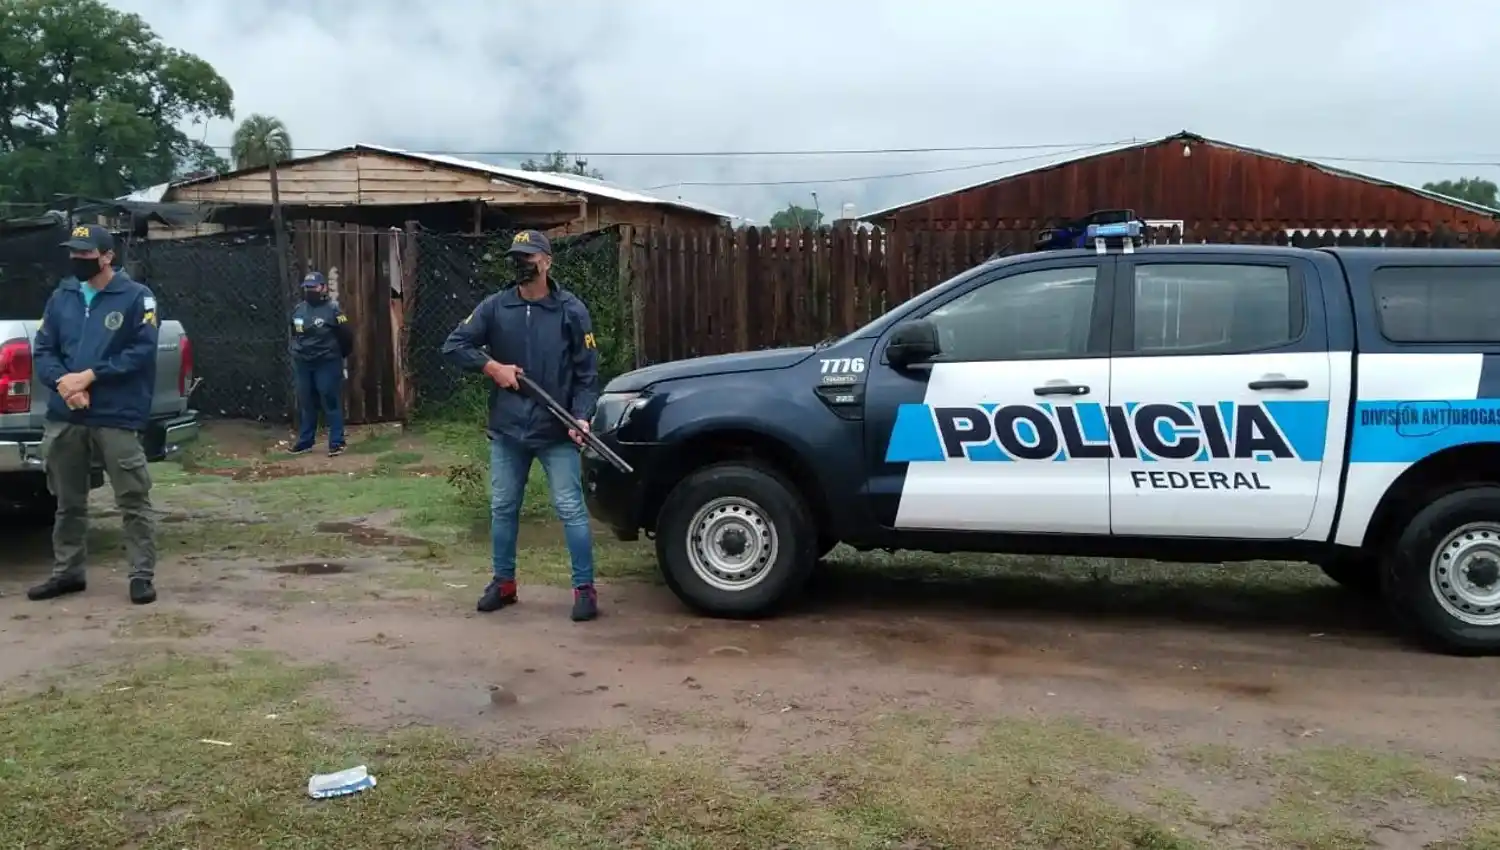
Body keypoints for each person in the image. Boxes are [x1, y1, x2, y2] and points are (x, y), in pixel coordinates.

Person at [440, 229, 601, 622]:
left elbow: (588, 375)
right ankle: (504, 583)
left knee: (570, 508)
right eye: (516, 257)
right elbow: (454, 345)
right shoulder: (495, 308)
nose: (521, 264)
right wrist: (492, 367)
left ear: (546, 261)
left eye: (528, 257)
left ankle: (584, 589)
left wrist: (581, 415)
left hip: (555, 429)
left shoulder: (571, 311)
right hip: (508, 429)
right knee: (504, 506)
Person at [27, 224, 160, 605]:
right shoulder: (62, 296)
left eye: (85, 254)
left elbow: (141, 350)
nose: (77, 260)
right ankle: (67, 572)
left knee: (133, 497)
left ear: (107, 256)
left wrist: (90, 377)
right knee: (68, 501)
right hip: (67, 413)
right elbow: (44, 349)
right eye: (74, 252)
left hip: (115, 413)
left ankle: (140, 575)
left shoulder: (137, 298)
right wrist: (65, 386)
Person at [289, 271, 353, 457]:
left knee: (329, 398)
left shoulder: (334, 310)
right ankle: (305, 442)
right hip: (303, 362)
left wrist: (340, 355)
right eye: (307, 288)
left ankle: (336, 442)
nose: (311, 291)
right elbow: (294, 332)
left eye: (314, 287)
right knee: (306, 401)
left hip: (327, 361)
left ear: (323, 287)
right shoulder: (299, 309)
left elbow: (346, 335)